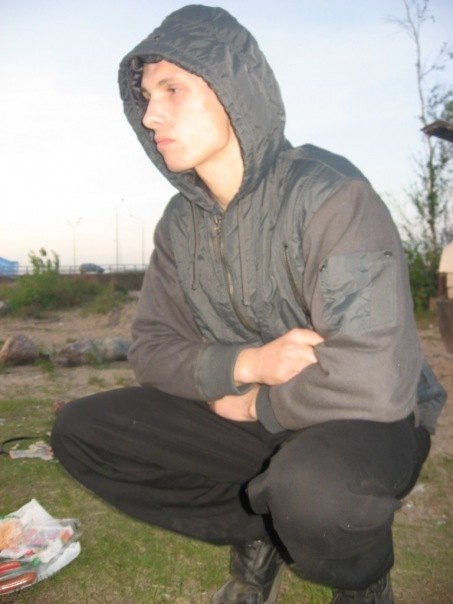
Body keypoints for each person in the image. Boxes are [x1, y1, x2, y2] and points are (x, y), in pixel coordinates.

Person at [51, 5, 447, 603]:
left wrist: (257, 404)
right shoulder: (179, 225)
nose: (151, 114)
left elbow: (373, 377)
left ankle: (362, 578)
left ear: (233, 90)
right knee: (84, 431)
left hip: (366, 422)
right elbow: (153, 350)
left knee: (314, 490)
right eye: (146, 96)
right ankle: (261, 531)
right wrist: (247, 365)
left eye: (173, 89)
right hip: (251, 409)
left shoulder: (330, 194)